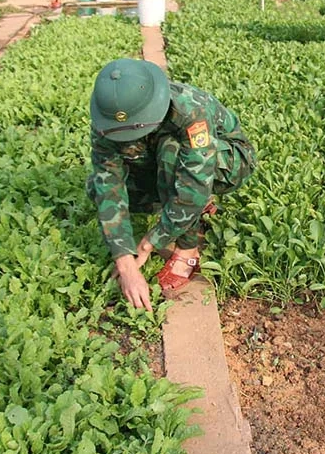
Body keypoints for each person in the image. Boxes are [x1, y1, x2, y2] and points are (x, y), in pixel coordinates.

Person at [87, 58, 257, 310]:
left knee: (171, 153)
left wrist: (148, 243)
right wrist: (125, 263)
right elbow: (108, 187)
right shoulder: (108, 123)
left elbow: (194, 185)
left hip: (225, 160)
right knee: (95, 187)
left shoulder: (189, 109)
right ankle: (178, 211)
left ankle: (188, 250)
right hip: (162, 161)